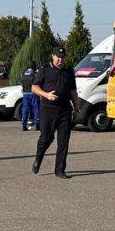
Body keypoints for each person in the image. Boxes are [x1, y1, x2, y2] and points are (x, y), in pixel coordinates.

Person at [30, 48, 76, 179]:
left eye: (63, 57)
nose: (60, 60)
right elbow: (34, 87)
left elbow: (73, 91)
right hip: (48, 110)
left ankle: (60, 170)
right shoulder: (45, 69)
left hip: (65, 110)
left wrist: (77, 109)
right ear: (53, 56)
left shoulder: (69, 71)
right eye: (58, 57)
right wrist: (46, 95)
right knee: (46, 138)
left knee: (63, 141)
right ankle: (38, 159)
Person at [21, 61, 40, 131]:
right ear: (34, 67)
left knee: (25, 109)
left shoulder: (23, 73)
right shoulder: (35, 74)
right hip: (34, 93)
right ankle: (37, 125)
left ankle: (24, 125)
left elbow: (22, 84)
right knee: (36, 109)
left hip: (25, 94)